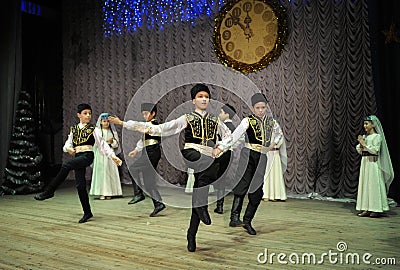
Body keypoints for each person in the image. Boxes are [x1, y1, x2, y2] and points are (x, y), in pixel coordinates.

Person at [120, 84, 232, 252]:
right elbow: (159, 129)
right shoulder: (186, 118)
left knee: (201, 188)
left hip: (208, 155)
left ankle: (191, 233)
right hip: (191, 152)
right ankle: (201, 208)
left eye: (206, 96)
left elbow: (229, 136)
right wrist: (125, 123)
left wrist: (220, 147)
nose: (204, 99)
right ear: (194, 100)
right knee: (206, 168)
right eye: (200, 96)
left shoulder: (215, 120)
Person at [34, 104, 122, 223]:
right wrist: (68, 149)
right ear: (78, 115)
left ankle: (50, 190)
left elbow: (103, 145)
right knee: (80, 186)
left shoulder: (93, 129)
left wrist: (112, 156)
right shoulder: (74, 129)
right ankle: (87, 212)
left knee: (66, 165)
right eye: (85, 113)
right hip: (78, 156)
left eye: (89, 113)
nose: (88, 115)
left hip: (87, 155)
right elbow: (67, 144)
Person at [215, 93, 283, 235]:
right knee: (242, 185)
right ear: (253, 108)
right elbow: (234, 137)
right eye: (258, 108)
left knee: (257, 191)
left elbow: (279, 135)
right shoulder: (248, 121)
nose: (260, 110)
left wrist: (271, 146)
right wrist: (221, 147)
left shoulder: (271, 122)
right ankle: (234, 217)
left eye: (263, 107)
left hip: (262, 157)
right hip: (248, 155)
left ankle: (247, 220)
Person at [109, 103, 166, 217]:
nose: (145, 116)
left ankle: (139, 194)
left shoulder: (154, 125)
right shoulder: (147, 125)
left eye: (146, 113)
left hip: (152, 151)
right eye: (143, 114)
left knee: (133, 169)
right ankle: (158, 203)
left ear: (153, 113)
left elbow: (138, 126)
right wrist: (136, 150)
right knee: (148, 181)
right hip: (148, 150)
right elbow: (143, 140)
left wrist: (121, 123)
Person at [356, 115, 394, 218]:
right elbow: (360, 151)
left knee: (373, 185)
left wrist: (364, 144)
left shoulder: (377, 136)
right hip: (365, 163)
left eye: (367, 123)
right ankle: (366, 208)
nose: (365, 126)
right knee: (365, 184)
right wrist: (360, 144)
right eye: (364, 123)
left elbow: (375, 150)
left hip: (373, 163)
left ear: (373, 124)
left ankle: (375, 208)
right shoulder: (366, 137)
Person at [89, 113, 123, 200]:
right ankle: (101, 192)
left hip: (110, 153)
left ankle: (110, 192)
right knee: (101, 173)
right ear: (100, 122)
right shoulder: (97, 131)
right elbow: (96, 144)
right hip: (100, 154)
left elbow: (116, 145)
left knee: (109, 173)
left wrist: (112, 142)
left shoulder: (113, 132)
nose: (106, 123)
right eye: (104, 121)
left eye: (108, 121)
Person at [213, 104, 238, 214]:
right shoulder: (234, 127)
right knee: (221, 178)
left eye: (221, 112)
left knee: (219, 178)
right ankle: (219, 205)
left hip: (223, 153)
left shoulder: (224, 126)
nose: (219, 115)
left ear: (227, 114)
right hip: (230, 153)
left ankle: (219, 205)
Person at [262, 123, 287, 202]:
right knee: (266, 173)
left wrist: (274, 146)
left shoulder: (277, 131)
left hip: (274, 154)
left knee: (275, 174)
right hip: (266, 154)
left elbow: (280, 139)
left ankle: (277, 195)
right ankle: (265, 194)